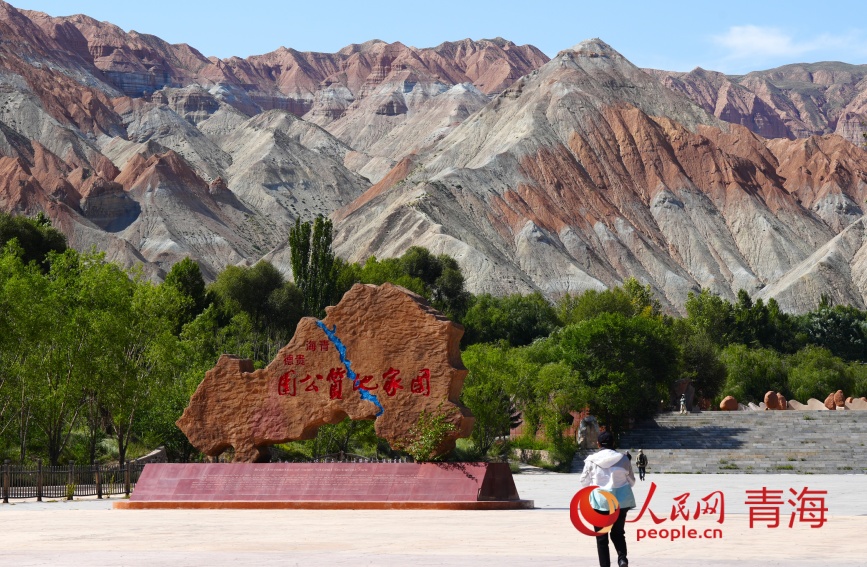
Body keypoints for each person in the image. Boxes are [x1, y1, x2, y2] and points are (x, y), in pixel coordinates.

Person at [579, 431, 636, 567]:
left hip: (600, 502)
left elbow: (584, 482)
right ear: (613, 443)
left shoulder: (591, 460)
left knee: (602, 537)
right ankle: (622, 559)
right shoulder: (624, 459)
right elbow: (632, 481)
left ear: (598, 444)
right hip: (621, 502)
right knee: (618, 533)